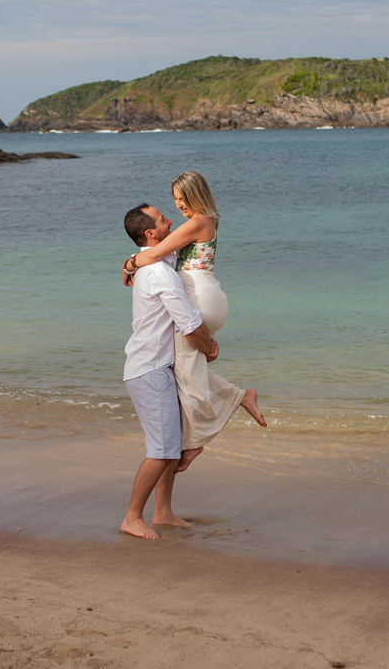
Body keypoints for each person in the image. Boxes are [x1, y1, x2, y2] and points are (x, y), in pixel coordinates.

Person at [123, 171, 264, 473]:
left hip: (200, 299)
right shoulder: (201, 222)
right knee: (185, 367)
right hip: (205, 295)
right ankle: (241, 397)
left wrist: (127, 265)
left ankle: (195, 440)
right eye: (174, 201)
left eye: (180, 199)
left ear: (193, 195)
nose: (177, 207)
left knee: (186, 375)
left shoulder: (198, 222)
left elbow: (154, 253)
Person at [120, 203, 220, 539]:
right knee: (162, 450)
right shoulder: (160, 273)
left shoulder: (160, 261)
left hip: (156, 366)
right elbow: (189, 323)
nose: (171, 222)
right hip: (149, 369)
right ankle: (133, 516)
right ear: (151, 233)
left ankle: (163, 512)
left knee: (171, 446)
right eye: (164, 221)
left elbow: (159, 254)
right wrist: (210, 348)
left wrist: (128, 262)